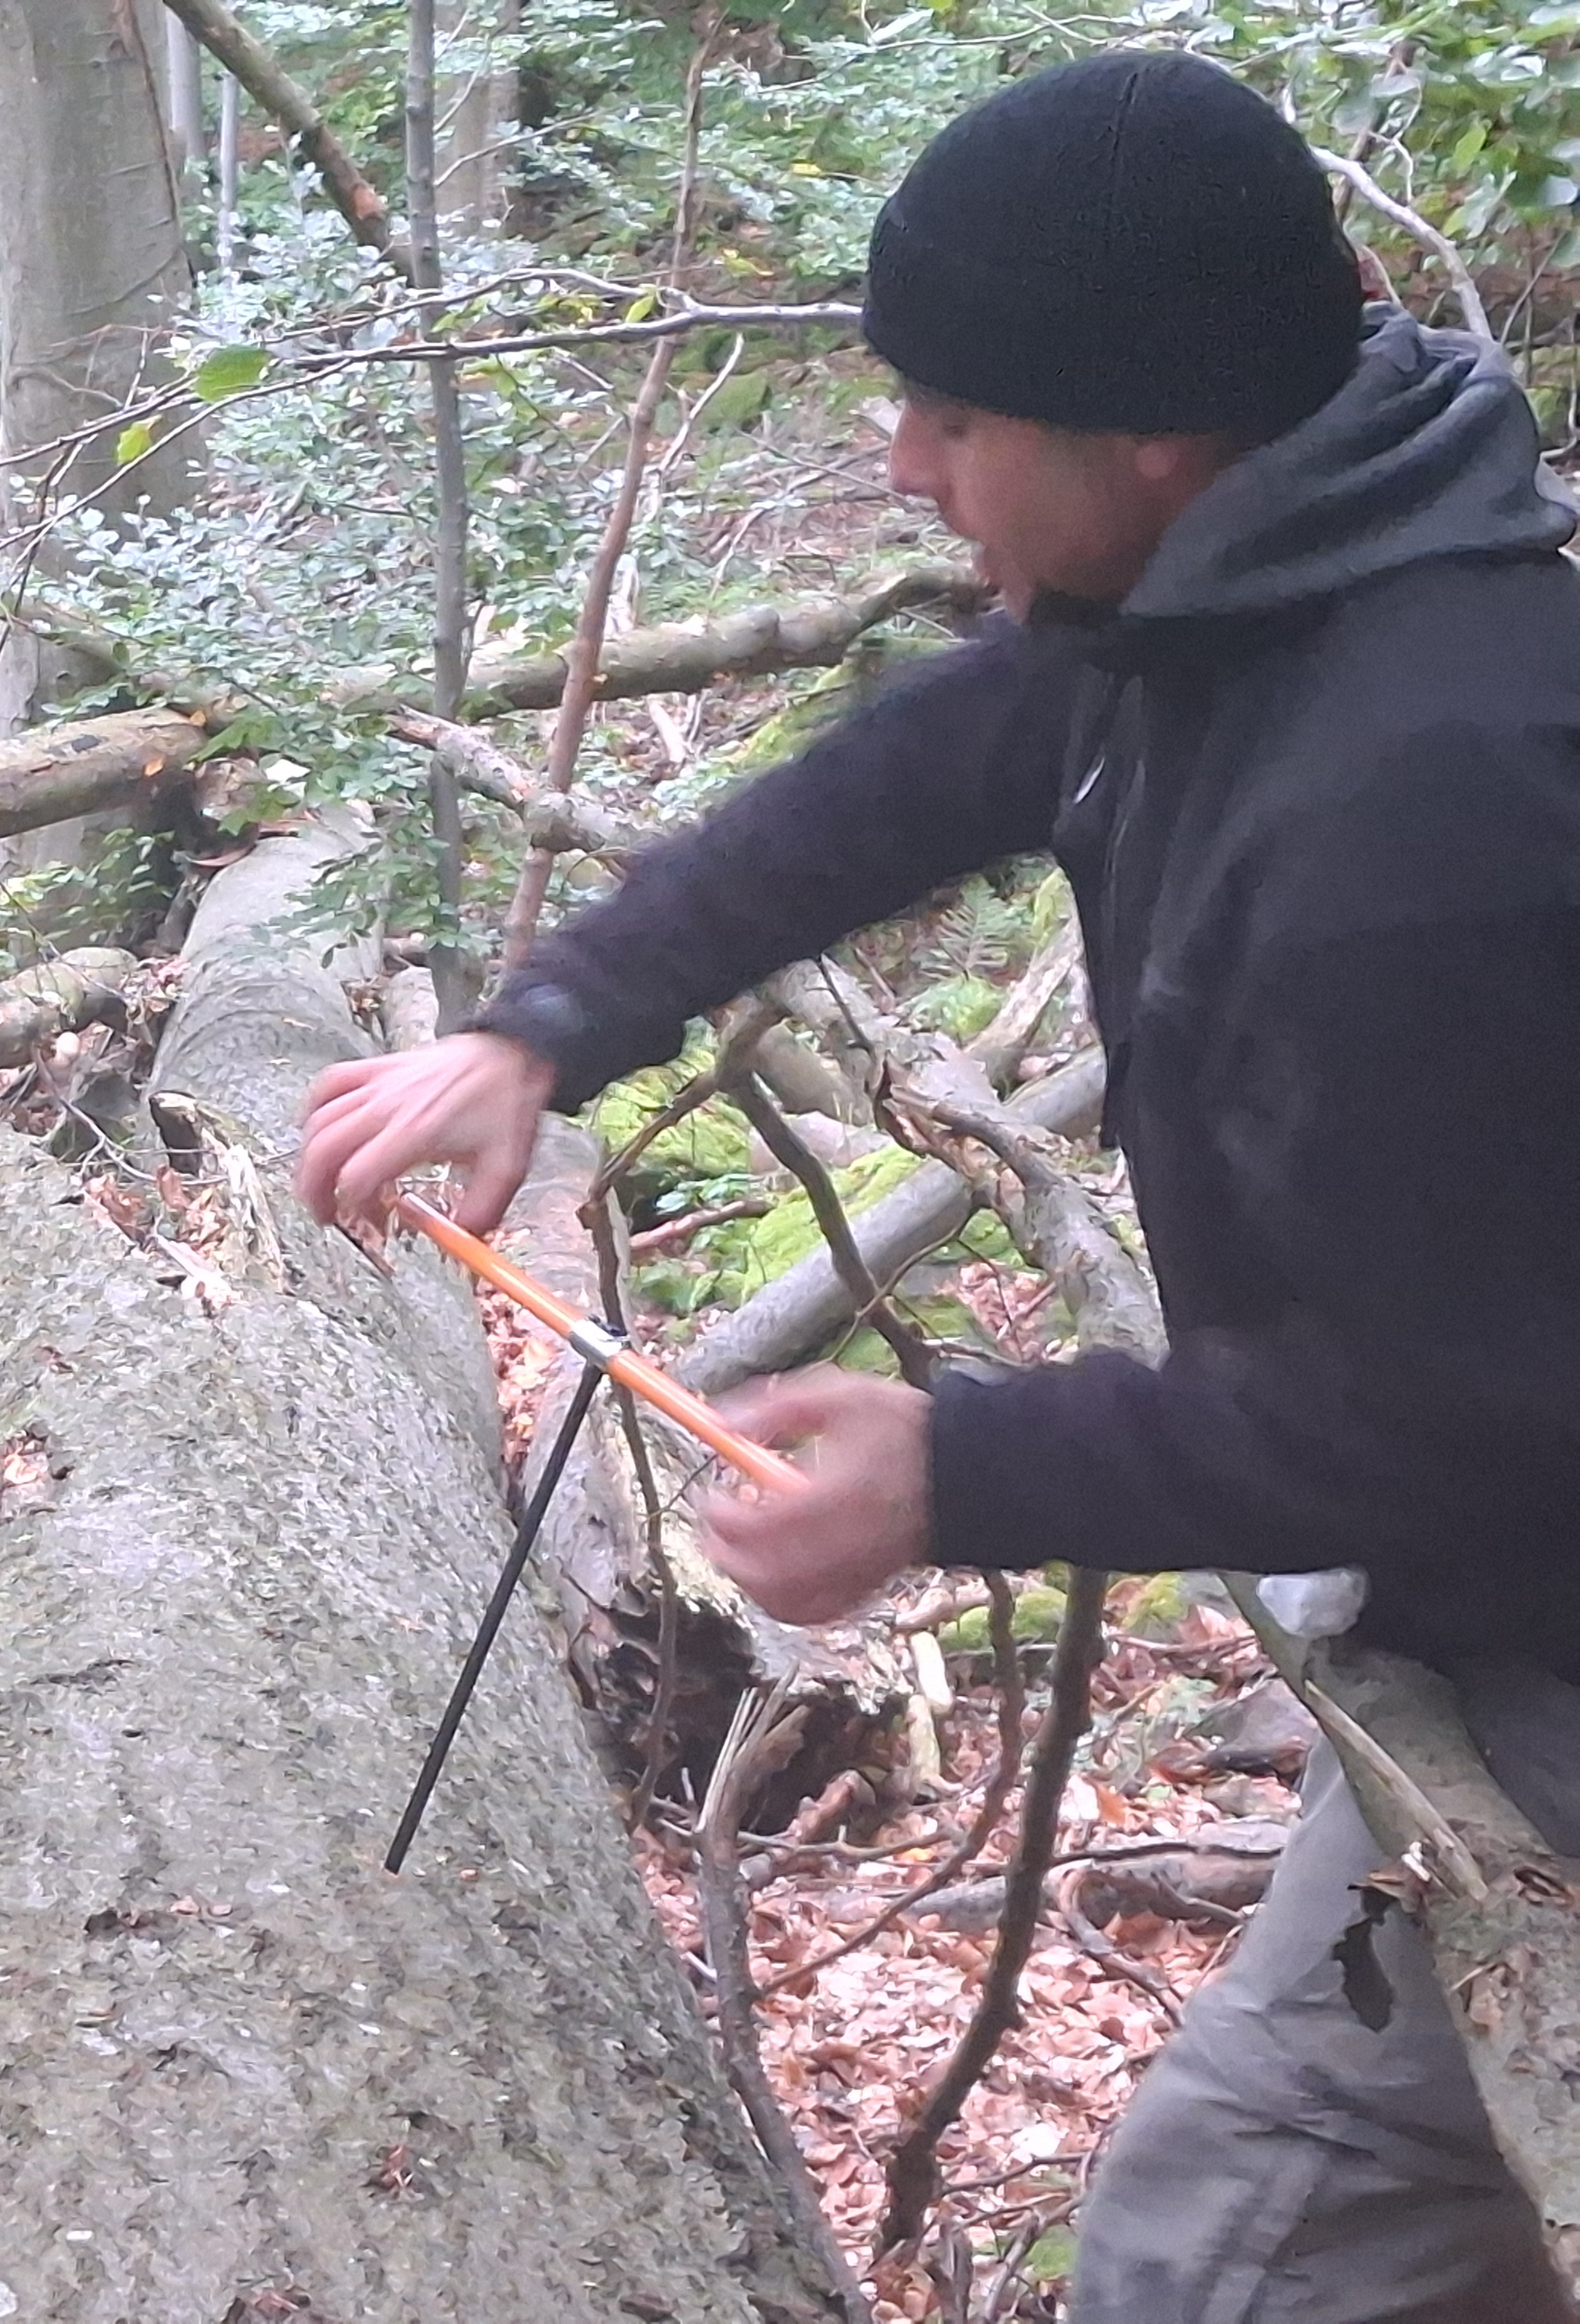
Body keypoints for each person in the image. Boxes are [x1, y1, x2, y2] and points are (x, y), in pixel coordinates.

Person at [300, 49, 1580, 2322]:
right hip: (1497, 1586)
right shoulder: (1224, 601)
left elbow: (1458, 1403)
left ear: (1152, 431)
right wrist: (547, 1024)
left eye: (957, 415)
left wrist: (958, 1467)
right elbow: (914, 771)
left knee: (1222, 2258)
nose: (905, 463)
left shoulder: (1432, 808)